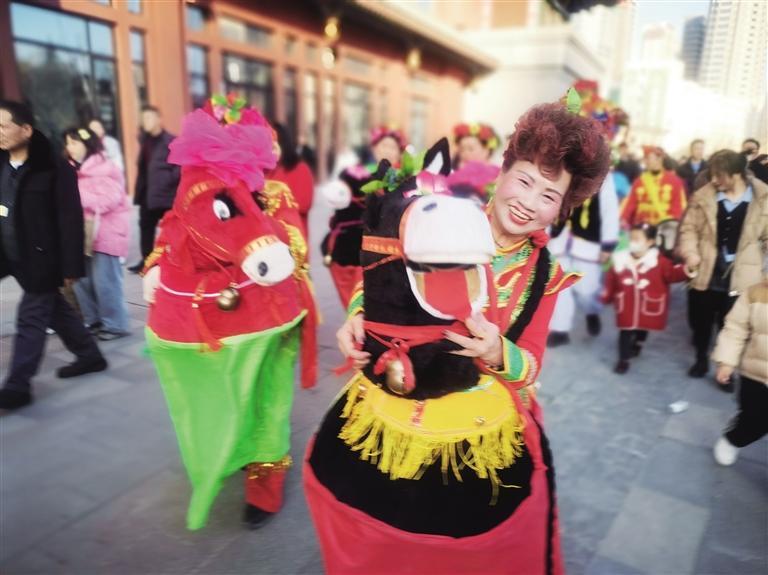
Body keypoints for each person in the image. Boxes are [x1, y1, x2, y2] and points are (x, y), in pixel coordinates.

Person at [305, 102, 610, 574]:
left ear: (563, 208)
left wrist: (497, 350)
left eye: (549, 195)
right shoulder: (438, 215)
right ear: (502, 173)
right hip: (396, 390)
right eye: (524, 180)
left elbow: (531, 363)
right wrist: (356, 317)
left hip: (480, 421)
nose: (530, 201)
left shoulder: (545, 275)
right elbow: (381, 278)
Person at [0, 100, 107, 411]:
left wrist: (71, 265)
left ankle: (18, 385)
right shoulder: (2, 164)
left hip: (43, 259)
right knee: (56, 310)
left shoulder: (53, 167)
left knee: (31, 317)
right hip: (13, 255)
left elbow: (69, 218)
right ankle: (90, 356)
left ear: (26, 129)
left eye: (4, 126)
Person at [678, 150, 768, 383]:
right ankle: (700, 358)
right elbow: (689, 229)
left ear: (736, 174)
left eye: (719, 175)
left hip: (743, 274)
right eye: (712, 175)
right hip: (707, 270)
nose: (714, 180)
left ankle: (725, 370)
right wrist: (690, 253)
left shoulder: (762, 198)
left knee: (731, 325)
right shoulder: (703, 196)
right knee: (701, 321)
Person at [63, 127, 131, 340]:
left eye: (74, 142)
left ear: (87, 144)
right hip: (79, 234)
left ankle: (115, 325)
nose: (70, 147)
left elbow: (109, 200)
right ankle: (93, 321)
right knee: (82, 282)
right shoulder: (68, 170)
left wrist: (75, 196)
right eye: (68, 143)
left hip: (106, 233)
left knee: (105, 283)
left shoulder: (106, 167)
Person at [602, 223, 692, 374]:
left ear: (650, 242)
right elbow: (611, 280)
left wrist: (687, 269)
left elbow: (672, 274)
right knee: (625, 331)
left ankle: (639, 342)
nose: (633, 242)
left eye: (637, 239)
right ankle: (623, 359)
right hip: (627, 304)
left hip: (647, 303)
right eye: (631, 238)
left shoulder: (659, 261)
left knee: (643, 326)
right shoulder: (620, 259)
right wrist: (607, 296)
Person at [548, 172, 619, 345]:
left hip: (587, 243)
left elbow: (609, 210)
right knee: (559, 286)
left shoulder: (602, 175)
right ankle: (560, 330)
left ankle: (592, 311)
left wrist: (608, 244)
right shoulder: (561, 168)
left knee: (586, 290)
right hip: (558, 240)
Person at [711, 270, 768, 466]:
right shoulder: (755, 293)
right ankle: (734, 438)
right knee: (754, 420)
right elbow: (735, 328)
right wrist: (726, 361)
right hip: (756, 374)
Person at [127, 106, 180, 273]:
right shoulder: (145, 141)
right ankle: (147, 261)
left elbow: (179, 166)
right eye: (144, 119)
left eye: (149, 118)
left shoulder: (171, 140)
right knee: (145, 227)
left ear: (159, 119)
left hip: (165, 194)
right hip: (147, 193)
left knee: (170, 229)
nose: (146, 122)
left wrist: (167, 181)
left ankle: (173, 260)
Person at [621, 146, 687, 228]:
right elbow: (630, 204)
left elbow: (678, 206)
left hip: (664, 226)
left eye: (659, 158)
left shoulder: (674, 181)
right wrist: (624, 219)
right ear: (645, 160)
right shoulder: (639, 181)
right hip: (641, 226)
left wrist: (671, 225)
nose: (657, 161)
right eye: (653, 158)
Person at [270, 123, 314, 241]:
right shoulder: (263, 170)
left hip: (293, 237)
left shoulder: (299, 168)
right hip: (268, 237)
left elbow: (304, 203)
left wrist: (274, 205)